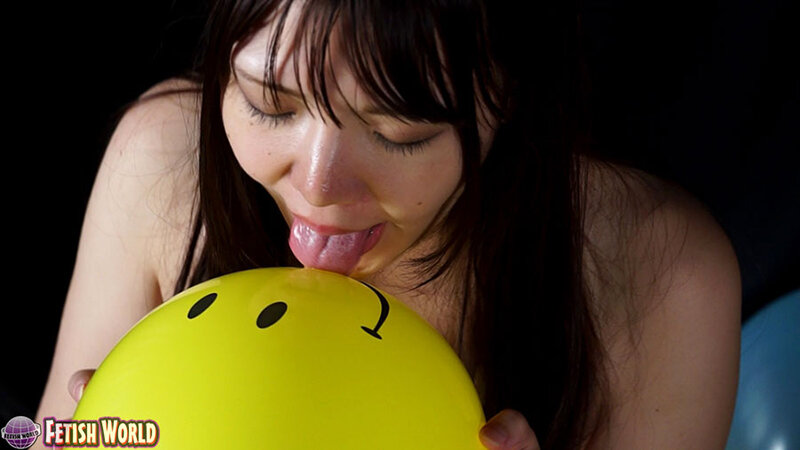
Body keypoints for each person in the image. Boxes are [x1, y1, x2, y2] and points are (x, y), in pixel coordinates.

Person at [33, 0, 742, 449]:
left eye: (399, 132)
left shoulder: (660, 278)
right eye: (267, 102)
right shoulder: (161, 166)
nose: (317, 187)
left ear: (512, 96)